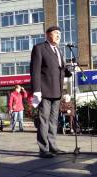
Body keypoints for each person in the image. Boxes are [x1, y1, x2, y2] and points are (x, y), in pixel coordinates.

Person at [30, 25, 72, 158]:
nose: (58, 35)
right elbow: (35, 71)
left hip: (57, 91)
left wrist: (69, 71)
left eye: (60, 33)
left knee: (54, 121)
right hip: (45, 91)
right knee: (44, 120)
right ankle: (44, 149)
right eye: (55, 33)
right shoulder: (40, 48)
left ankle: (53, 147)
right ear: (48, 35)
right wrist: (36, 90)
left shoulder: (59, 50)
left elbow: (61, 69)